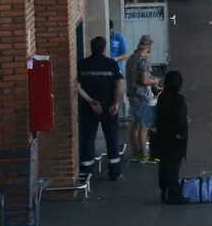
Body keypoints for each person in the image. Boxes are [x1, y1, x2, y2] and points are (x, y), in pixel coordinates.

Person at [77, 36, 125, 181]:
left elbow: (77, 86)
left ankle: (86, 172)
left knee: (88, 138)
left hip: (89, 108)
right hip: (108, 107)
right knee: (111, 138)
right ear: (104, 48)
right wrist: (116, 103)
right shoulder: (111, 64)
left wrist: (91, 101)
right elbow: (118, 85)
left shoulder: (83, 64)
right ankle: (114, 172)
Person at [126, 34, 160, 163]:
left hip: (132, 96)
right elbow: (144, 80)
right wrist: (155, 81)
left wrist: (153, 83)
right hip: (143, 97)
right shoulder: (143, 61)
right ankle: (145, 156)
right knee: (144, 127)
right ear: (149, 46)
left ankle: (136, 153)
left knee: (134, 126)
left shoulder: (131, 59)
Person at [155, 70, 189, 203]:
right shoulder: (178, 99)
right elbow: (180, 118)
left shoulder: (162, 97)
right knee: (174, 165)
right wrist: (181, 133)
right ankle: (174, 192)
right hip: (175, 138)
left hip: (163, 135)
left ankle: (164, 190)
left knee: (164, 164)